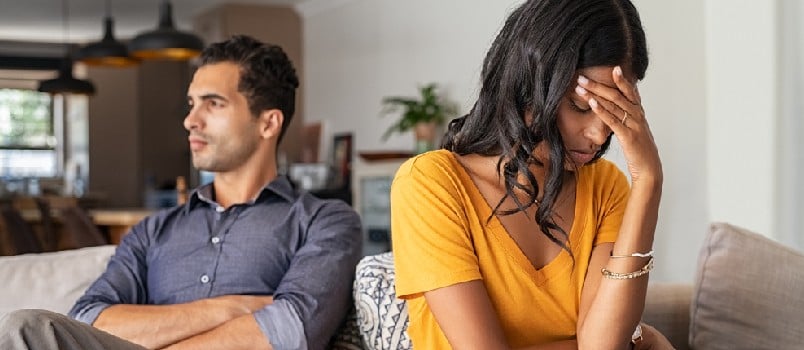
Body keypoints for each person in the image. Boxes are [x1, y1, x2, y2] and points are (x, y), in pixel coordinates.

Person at [0, 35, 362, 350]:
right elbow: (88, 319)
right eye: (192, 104)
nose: (191, 120)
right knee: (29, 329)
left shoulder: (325, 221)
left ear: (268, 123)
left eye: (213, 103)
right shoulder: (154, 231)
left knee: (25, 329)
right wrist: (231, 308)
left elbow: (290, 329)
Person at [391, 0, 674, 349]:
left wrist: (648, 179)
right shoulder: (431, 185)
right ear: (529, 82)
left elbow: (603, 345)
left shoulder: (605, 187)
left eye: (615, 112)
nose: (599, 135)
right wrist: (641, 342)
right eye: (580, 106)